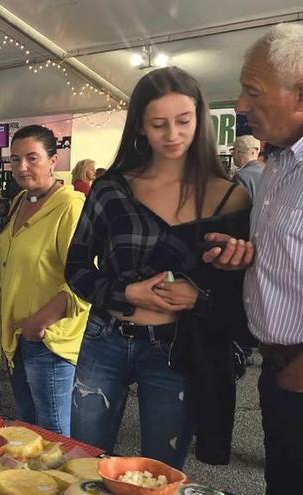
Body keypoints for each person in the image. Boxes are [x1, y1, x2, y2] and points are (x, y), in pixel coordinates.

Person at [65, 67, 251, 469]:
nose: (172, 135)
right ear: (140, 128)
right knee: (82, 463)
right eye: (158, 124)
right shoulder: (111, 188)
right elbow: (76, 267)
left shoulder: (230, 198)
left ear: (200, 121)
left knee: (160, 472)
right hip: (105, 338)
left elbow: (243, 295)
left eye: (183, 121)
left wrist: (199, 298)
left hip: (177, 348)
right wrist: (125, 293)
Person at [203, 23, 303, 495]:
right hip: (277, 371)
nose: (241, 107)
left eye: (252, 92)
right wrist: (246, 259)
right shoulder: (280, 164)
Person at [0, 125, 90, 436]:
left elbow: (86, 275)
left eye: (32, 158)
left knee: (53, 434)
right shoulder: (21, 200)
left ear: (53, 160)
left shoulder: (70, 206)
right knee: (28, 427)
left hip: (48, 340)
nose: (21, 167)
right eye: (15, 159)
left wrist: (39, 324)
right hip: (18, 336)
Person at [231, 134, 263, 199]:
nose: (232, 154)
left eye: (233, 150)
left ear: (237, 152)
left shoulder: (240, 176)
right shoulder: (267, 172)